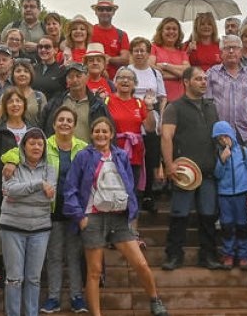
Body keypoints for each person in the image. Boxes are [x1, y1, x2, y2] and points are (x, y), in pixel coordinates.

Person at [65, 117, 170, 316]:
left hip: (119, 218)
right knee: (94, 271)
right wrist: (80, 217)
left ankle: (155, 300)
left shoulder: (121, 155)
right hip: (93, 217)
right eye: (97, 131)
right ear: (91, 134)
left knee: (140, 263)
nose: (101, 135)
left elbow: (129, 185)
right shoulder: (83, 156)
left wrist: (131, 211)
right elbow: (70, 189)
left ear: (112, 134)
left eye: (105, 131)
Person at [4, 106, 87, 314]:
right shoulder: (45, 143)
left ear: (75, 125)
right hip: (51, 212)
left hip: (74, 210)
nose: (65, 123)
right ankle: (53, 297)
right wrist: (11, 161)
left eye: (69, 120)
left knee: (74, 256)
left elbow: (51, 191)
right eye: (61, 119)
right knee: (54, 256)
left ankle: (77, 297)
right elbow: (17, 151)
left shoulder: (83, 148)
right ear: (54, 124)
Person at [160, 66, 222, 270]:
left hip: (209, 172)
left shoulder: (212, 107)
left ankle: (208, 256)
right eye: (198, 79)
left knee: (208, 216)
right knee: (179, 215)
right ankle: (173, 256)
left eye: (205, 79)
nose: (203, 82)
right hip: (184, 172)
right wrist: (169, 164)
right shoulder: (174, 107)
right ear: (186, 82)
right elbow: (166, 136)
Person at [0, 128, 56, 316]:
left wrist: (19, 194)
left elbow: (48, 198)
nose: (36, 147)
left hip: (40, 229)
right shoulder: (11, 166)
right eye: (32, 143)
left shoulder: (50, 169)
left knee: (34, 279)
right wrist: (39, 185)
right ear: (24, 146)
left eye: (40, 144)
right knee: (14, 278)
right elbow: (9, 190)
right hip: (12, 228)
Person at [106, 67, 157, 223]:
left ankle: (132, 230)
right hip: (112, 153)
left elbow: (150, 128)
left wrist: (150, 107)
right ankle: (112, 229)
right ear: (115, 82)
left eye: (129, 78)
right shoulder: (107, 100)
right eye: (121, 77)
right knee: (112, 190)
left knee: (132, 192)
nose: (125, 81)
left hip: (134, 155)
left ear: (135, 84)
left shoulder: (139, 103)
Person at [213, 120, 247, 269]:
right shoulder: (218, 154)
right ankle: (228, 254)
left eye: (225, 136)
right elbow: (217, 175)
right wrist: (222, 160)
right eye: (220, 138)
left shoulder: (244, 152)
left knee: (242, 225)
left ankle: (244, 256)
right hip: (224, 195)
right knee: (227, 225)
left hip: (241, 194)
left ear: (231, 135)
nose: (223, 140)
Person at [130, 36, 168, 208]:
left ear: (148, 53)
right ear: (131, 53)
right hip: (131, 117)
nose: (139, 54)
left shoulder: (155, 73)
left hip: (151, 117)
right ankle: (133, 193)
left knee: (151, 156)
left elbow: (163, 97)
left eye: (142, 51)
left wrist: (162, 119)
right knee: (133, 156)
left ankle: (149, 194)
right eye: (136, 50)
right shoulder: (126, 70)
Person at [207, 35, 247, 145]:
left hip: (246, 133)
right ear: (221, 53)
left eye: (235, 48)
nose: (231, 51)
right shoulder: (211, 73)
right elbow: (207, 103)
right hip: (221, 134)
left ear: (241, 52)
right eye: (227, 48)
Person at [42, 62, 110, 142]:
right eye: (70, 77)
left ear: (87, 77)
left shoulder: (97, 106)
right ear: (66, 80)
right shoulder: (55, 104)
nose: (74, 80)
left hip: (88, 149)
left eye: (78, 76)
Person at [0, 90, 34, 196]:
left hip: (30, 190)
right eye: (10, 101)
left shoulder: (34, 131)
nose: (15, 104)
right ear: (5, 106)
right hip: (3, 192)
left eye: (18, 101)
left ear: (24, 104)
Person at [90, 0, 131, 77]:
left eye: (108, 9)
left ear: (113, 12)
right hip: (90, 80)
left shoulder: (122, 35)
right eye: (101, 9)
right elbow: (69, 43)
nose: (104, 12)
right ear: (96, 12)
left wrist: (108, 59)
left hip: (114, 81)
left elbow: (126, 60)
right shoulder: (88, 31)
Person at [151, 17, 189, 102]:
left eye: (174, 29)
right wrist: (179, 75)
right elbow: (152, 71)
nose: (171, 31)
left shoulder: (182, 53)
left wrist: (165, 66)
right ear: (161, 31)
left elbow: (187, 72)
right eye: (168, 29)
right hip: (158, 99)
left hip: (179, 99)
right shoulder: (153, 48)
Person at [32, 37, 67, 103]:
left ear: (55, 50)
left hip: (53, 107)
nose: (43, 50)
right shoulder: (32, 68)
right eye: (40, 47)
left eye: (47, 47)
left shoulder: (62, 69)